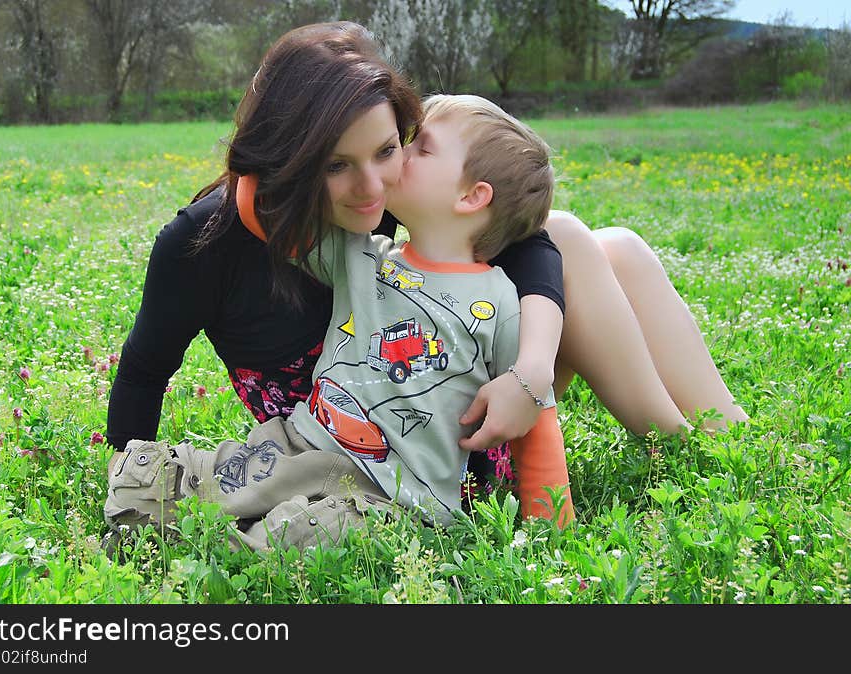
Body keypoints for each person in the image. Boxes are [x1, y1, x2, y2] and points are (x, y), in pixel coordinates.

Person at [106, 21, 746, 487]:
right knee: (585, 241)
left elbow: (531, 246)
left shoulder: (382, 189)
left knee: (612, 247)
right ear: (287, 159)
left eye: (389, 149)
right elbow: (141, 374)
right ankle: (682, 452)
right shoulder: (202, 245)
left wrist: (530, 373)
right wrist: (123, 479)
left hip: (458, 380)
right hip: (388, 451)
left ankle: (725, 443)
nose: (372, 187)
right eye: (336, 165)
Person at [104, 91, 574, 551]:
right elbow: (268, 215)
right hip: (303, 444)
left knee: (304, 538)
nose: (399, 156)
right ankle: (176, 518)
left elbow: (535, 415)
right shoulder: (359, 253)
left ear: (472, 196)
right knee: (172, 480)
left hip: (395, 492)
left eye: (417, 148)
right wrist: (262, 153)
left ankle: (230, 545)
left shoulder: (501, 301)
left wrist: (552, 528)